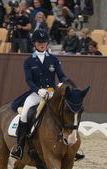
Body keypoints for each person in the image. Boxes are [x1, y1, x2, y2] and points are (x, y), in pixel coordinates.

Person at [10, 29, 84, 161]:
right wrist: (38, 90)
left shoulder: (54, 59)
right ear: (34, 43)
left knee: (66, 112)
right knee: (26, 113)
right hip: (36, 93)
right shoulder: (29, 61)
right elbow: (29, 80)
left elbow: (61, 75)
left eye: (44, 42)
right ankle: (19, 147)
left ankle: (72, 148)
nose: (42, 44)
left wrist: (63, 84)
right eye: (39, 42)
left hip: (52, 92)